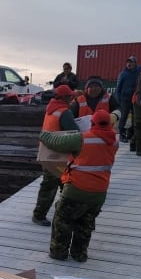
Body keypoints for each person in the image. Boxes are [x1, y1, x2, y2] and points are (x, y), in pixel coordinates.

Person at [38, 109, 118, 263]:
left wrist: (44, 134)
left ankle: (59, 252)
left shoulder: (82, 139)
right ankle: (79, 254)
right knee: (85, 225)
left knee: (63, 220)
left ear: (92, 122)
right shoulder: (114, 141)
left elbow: (56, 142)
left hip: (76, 189)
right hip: (99, 192)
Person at [31, 85, 79, 227]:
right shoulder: (64, 112)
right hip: (59, 154)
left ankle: (57, 212)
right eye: (70, 96)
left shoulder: (51, 109)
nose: (72, 98)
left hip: (47, 152)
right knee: (57, 185)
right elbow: (74, 132)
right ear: (64, 98)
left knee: (56, 184)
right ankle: (40, 215)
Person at [114, 56, 141, 142]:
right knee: (124, 116)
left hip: (135, 99)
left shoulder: (140, 72)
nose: (129, 64)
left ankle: (131, 133)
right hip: (125, 99)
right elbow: (118, 88)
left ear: (135, 64)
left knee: (135, 117)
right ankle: (122, 134)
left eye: (131, 62)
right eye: (128, 62)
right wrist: (118, 99)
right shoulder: (123, 74)